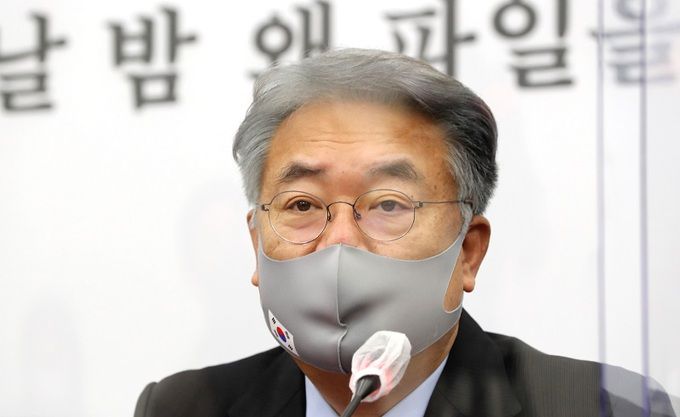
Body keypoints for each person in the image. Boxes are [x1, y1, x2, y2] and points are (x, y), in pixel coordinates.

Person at [134, 49, 676, 417]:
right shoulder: (183, 407)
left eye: (388, 205)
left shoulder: (605, 408)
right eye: (302, 204)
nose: (339, 242)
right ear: (257, 245)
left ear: (468, 252)